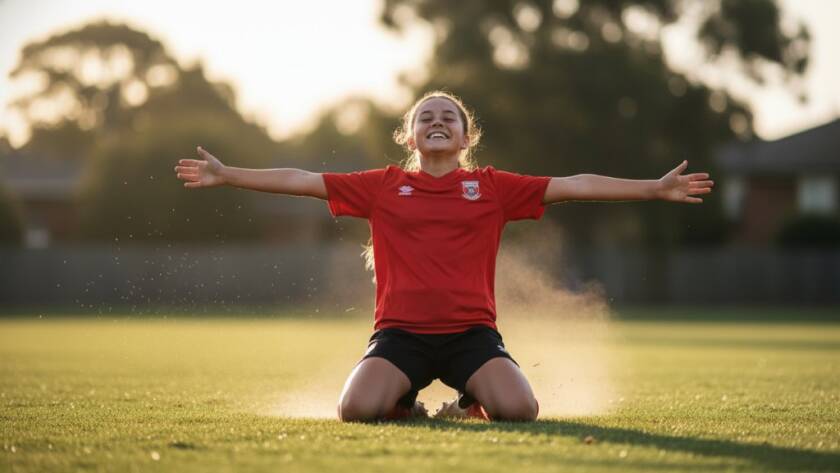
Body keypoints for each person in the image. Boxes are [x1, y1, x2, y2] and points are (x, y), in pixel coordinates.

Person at [174, 91, 713, 422]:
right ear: (410, 135)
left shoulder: (493, 187)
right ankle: (402, 401)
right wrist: (228, 175)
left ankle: (466, 401)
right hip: (399, 337)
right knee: (354, 410)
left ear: (464, 135)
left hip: (471, 338)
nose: (437, 120)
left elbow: (575, 183)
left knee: (521, 410)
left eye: (449, 117)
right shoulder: (381, 186)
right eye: (426, 115)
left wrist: (652, 188)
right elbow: (301, 178)